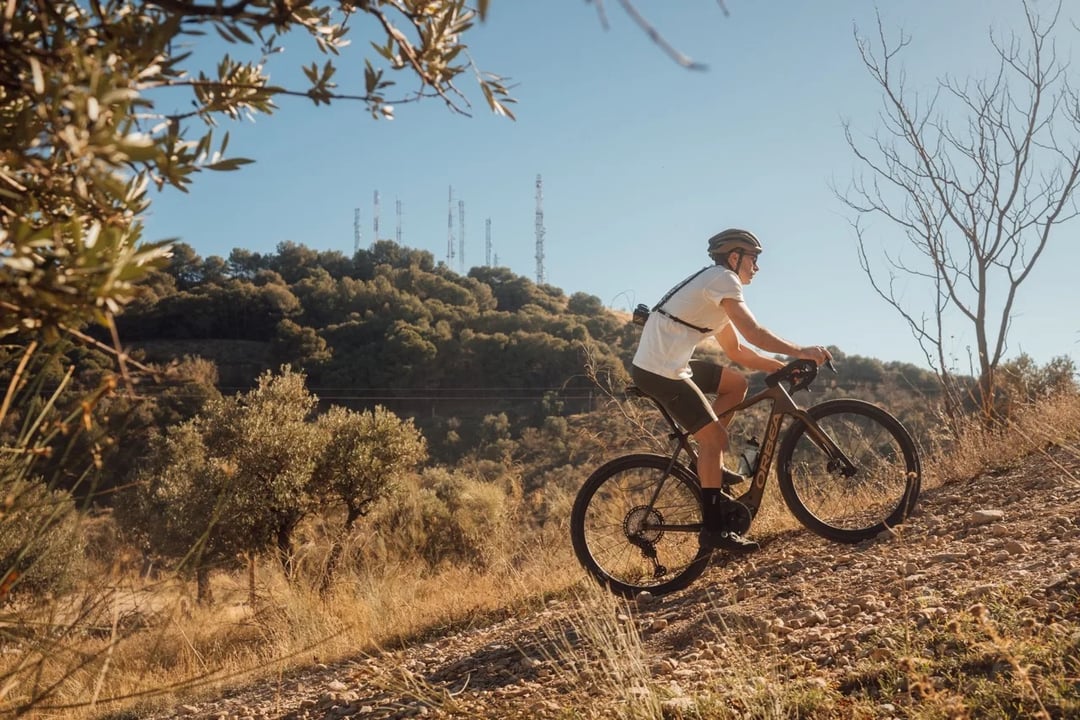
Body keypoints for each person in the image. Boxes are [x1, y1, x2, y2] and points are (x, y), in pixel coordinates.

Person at [630, 228, 832, 553]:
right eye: (754, 258)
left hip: (669, 362)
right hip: (660, 369)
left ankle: (711, 462)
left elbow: (739, 352)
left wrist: (779, 369)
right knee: (715, 440)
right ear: (735, 257)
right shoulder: (724, 279)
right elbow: (753, 332)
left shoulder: (717, 293)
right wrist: (801, 351)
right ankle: (714, 531)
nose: (757, 267)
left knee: (737, 383)